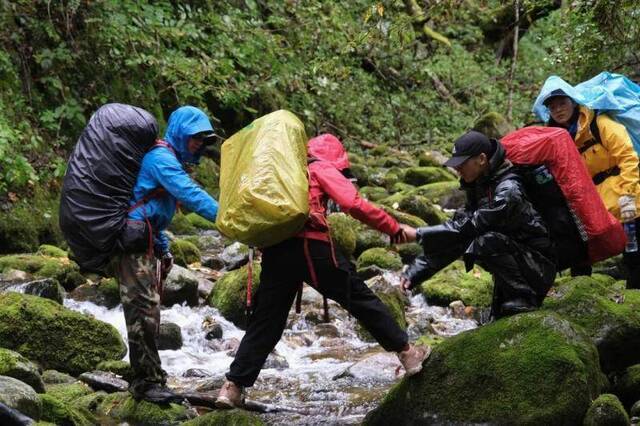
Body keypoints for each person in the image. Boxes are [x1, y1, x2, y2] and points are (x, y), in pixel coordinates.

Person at [215, 133, 430, 409]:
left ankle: (232, 387)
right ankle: (408, 354)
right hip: (310, 246)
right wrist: (393, 228)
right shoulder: (320, 167)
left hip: (275, 249)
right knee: (360, 298)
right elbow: (353, 204)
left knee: (266, 320)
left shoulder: (283, 171)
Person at [114, 105, 219, 403]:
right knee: (142, 311)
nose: (199, 144)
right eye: (195, 138)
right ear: (180, 133)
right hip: (133, 246)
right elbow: (190, 194)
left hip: (144, 241)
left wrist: (162, 245)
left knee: (148, 309)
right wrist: (227, 218)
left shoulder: (168, 158)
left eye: (204, 140)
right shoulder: (161, 158)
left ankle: (152, 377)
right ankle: (145, 384)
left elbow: (149, 207)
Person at [399, 131, 557, 319]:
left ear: (482, 159)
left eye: (461, 164)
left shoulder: (508, 191)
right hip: (521, 259)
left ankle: (525, 297)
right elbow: (458, 233)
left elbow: (469, 228)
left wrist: (418, 234)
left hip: (539, 265)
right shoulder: (482, 185)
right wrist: (415, 272)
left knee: (485, 240)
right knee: (480, 239)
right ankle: (512, 295)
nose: (457, 169)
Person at [540, 89, 640, 288]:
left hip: (625, 194)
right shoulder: (557, 139)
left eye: (562, 104)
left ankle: (634, 296)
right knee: (582, 249)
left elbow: (629, 158)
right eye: (552, 107)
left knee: (633, 248)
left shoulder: (600, 124)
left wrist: (628, 192)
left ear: (574, 103)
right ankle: (580, 292)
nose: (558, 110)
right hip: (592, 200)